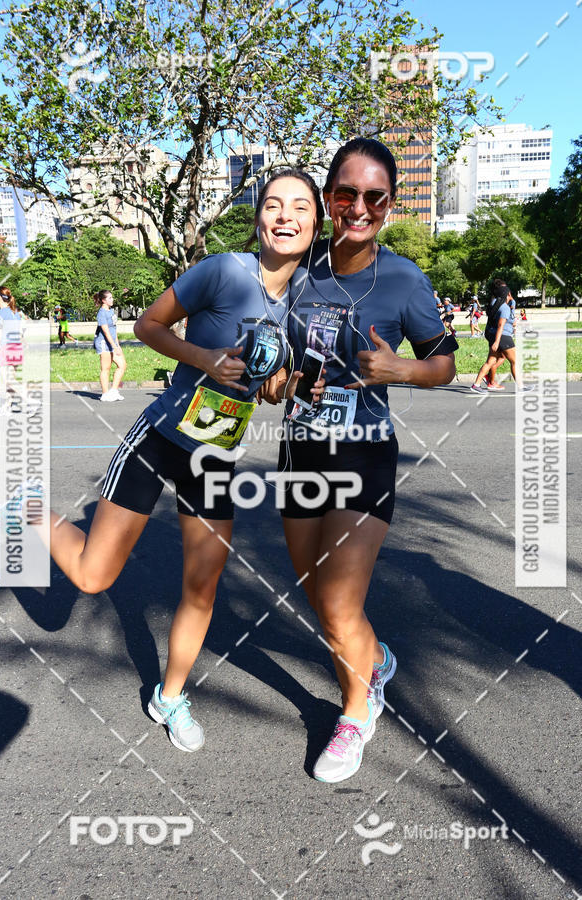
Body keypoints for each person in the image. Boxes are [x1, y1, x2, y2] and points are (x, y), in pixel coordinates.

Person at [0, 168, 324, 754]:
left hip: (218, 455)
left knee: (202, 587)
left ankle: (169, 696)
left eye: (300, 206)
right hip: (161, 436)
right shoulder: (222, 269)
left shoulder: (304, 304)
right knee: (94, 577)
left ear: (315, 222)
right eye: (273, 204)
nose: (285, 215)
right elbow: (147, 326)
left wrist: (290, 389)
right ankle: (25, 512)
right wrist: (206, 358)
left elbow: (266, 388)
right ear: (258, 217)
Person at [262, 138, 457, 783]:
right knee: (313, 588)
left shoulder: (403, 279)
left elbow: (445, 361)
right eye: (345, 194)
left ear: (390, 206)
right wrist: (279, 380)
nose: (358, 207)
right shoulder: (298, 269)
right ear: (329, 199)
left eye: (374, 197)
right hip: (299, 450)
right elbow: (277, 355)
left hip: (364, 455)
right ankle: (374, 657)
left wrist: (402, 367)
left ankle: (355, 712)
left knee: (342, 601)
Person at [471, 282, 531, 393]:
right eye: (509, 293)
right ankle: (521, 387)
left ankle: (476, 384)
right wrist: (497, 342)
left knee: (490, 362)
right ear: (507, 295)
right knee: (515, 361)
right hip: (503, 337)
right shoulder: (505, 308)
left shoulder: (495, 304)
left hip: (495, 335)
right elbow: (500, 325)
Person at [0, 287, 23, 417]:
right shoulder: (15, 312)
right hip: (17, 347)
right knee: (10, 380)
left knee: (7, 380)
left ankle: (31, 402)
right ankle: (7, 407)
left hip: (7, 347)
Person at [94, 289, 126, 401]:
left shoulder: (111, 311)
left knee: (122, 365)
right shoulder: (101, 313)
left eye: (112, 297)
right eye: (110, 298)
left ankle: (114, 391)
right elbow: (106, 331)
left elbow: (113, 330)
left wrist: (118, 345)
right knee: (106, 368)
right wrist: (114, 346)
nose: (112, 300)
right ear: (103, 300)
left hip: (112, 343)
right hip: (103, 343)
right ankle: (105, 394)